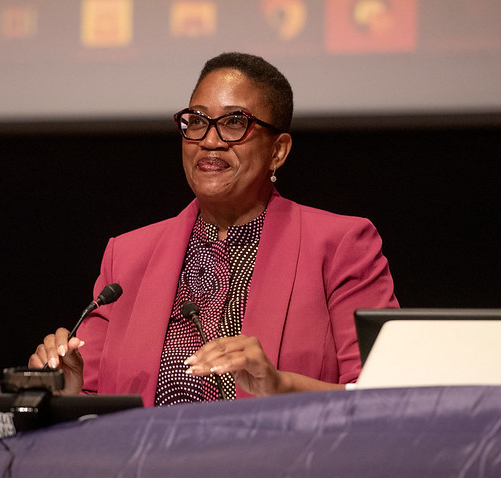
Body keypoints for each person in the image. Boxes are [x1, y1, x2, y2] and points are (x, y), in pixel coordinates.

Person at [29, 52, 398, 406]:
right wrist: (70, 393)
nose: (209, 140)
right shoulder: (127, 256)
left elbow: (385, 396)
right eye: (197, 121)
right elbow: (97, 405)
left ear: (278, 151)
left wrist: (280, 385)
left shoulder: (340, 245)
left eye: (235, 122)